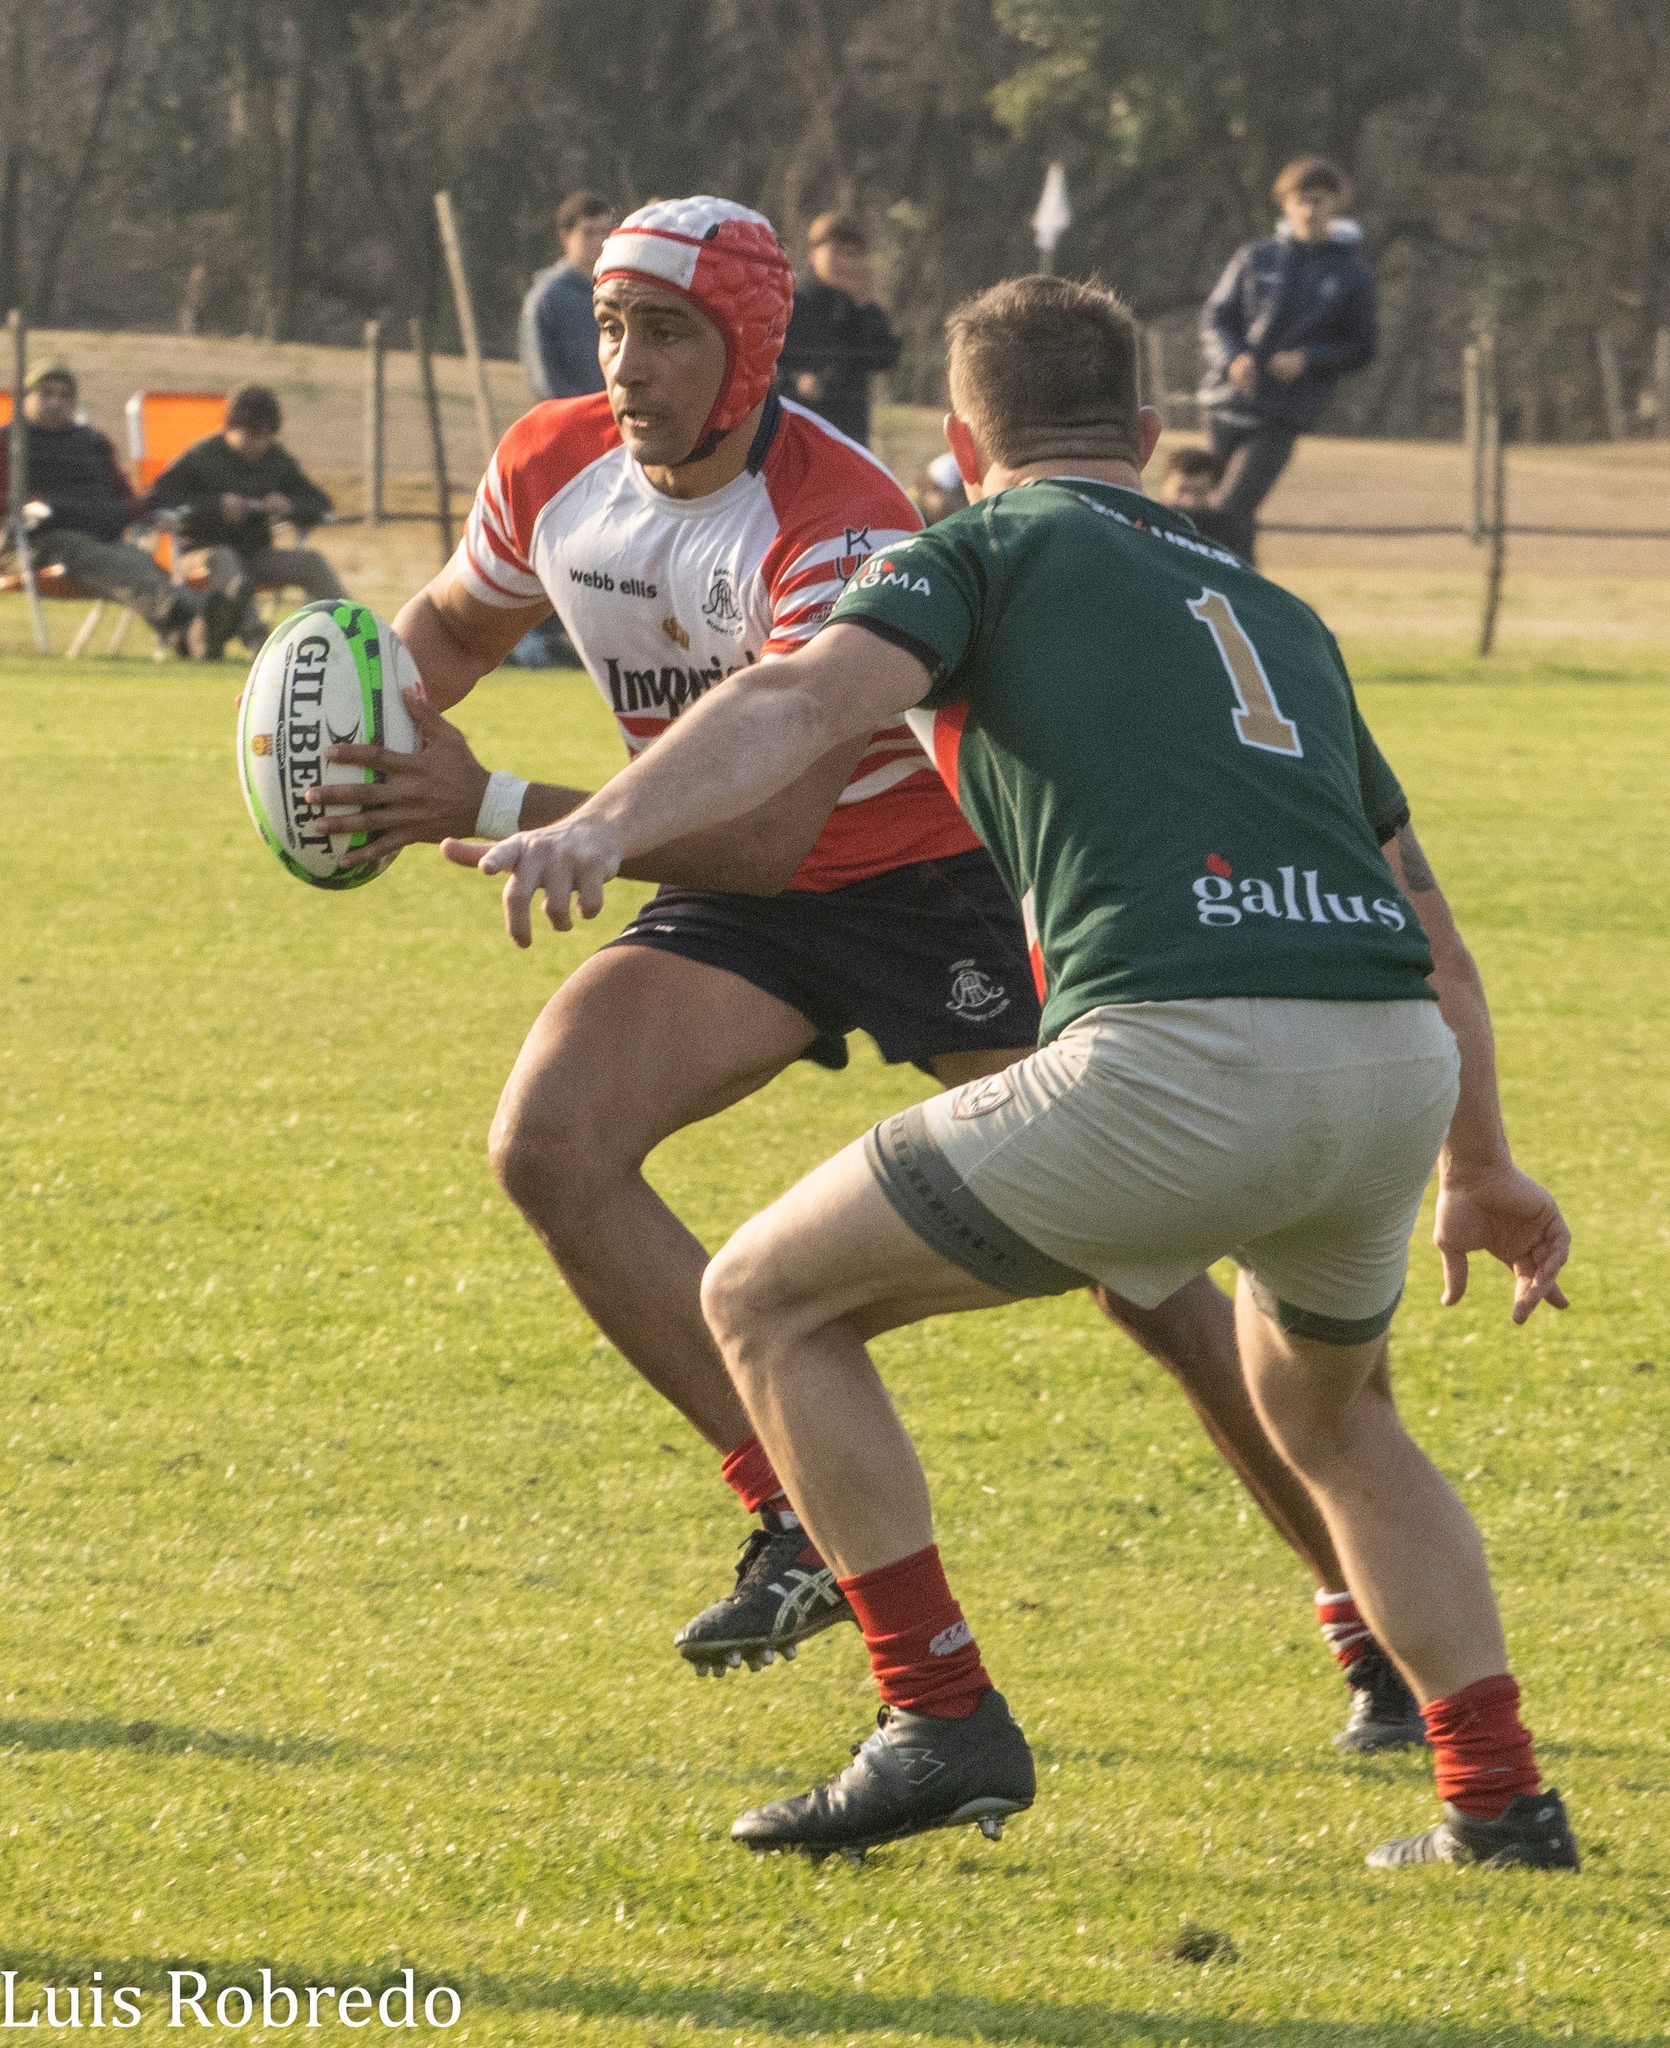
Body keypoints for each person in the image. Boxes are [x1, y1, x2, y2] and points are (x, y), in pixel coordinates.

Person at [466, 274, 1578, 1877]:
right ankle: (1496, 1801)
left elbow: (797, 697)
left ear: (959, 440)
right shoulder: (1276, 613)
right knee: (1336, 1425)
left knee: (764, 1301)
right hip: (1386, 1065)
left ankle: (936, 1717)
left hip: (1180, 1054)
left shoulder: (974, 545)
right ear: (1150, 433)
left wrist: (600, 823)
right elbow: (1435, 931)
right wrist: (1479, 1164)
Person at [312, 198, 1420, 1757]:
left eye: (668, 331)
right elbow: (443, 630)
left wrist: (493, 799)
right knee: (550, 1143)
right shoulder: (550, 463)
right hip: (727, 892)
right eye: (611, 326)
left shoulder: (840, 516)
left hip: (929, 892)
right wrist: (346, 735)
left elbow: (770, 832)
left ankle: (1369, 1621)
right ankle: (793, 1518)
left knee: (1155, 1281)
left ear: (751, 349)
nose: (625, 362)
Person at [1196, 156, 1377, 563]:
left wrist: (1309, 359)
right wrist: (1232, 359)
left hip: (1283, 412)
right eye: (1301, 200)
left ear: (1335, 204)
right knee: (1222, 513)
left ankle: (1233, 589)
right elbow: (1215, 319)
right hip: (1224, 402)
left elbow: (1362, 346)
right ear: (1285, 204)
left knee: (1231, 505)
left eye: (1319, 200)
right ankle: (1238, 593)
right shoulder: (1254, 258)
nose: (1310, 210)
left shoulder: (1352, 275)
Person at [0, 360, 229, 658]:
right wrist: (34, 506)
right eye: (45, 393)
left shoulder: (93, 442)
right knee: (94, 552)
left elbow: (127, 498)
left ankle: (188, 635)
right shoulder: (6, 443)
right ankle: (195, 614)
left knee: (135, 559)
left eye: (65, 395)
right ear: (24, 398)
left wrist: (136, 513)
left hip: (100, 538)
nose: (55, 402)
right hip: (30, 546)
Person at [145, 385, 341, 653]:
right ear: (229, 427)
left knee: (311, 563)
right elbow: (156, 501)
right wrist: (215, 506)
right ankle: (258, 641)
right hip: (200, 553)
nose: (259, 444)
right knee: (227, 560)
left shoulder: (276, 459)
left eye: (266, 436)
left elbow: (320, 503)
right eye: (251, 435)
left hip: (256, 553)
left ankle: (349, 631)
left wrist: (289, 505)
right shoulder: (202, 456)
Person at [776, 212, 901, 447]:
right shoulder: (790, 304)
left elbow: (885, 358)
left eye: (853, 255)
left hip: (849, 436)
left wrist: (864, 306)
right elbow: (759, 367)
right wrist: (795, 381)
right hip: (794, 432)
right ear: (814, 253)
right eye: (837, 253)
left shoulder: (859, 308)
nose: (846, 263)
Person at [519, 191, 616, 402]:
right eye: (589, 233)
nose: (600, 240)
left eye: (605, 232)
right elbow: (544, 381)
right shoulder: (545, 299)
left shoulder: (617, 290)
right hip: (575, 415)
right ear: (566, 236)